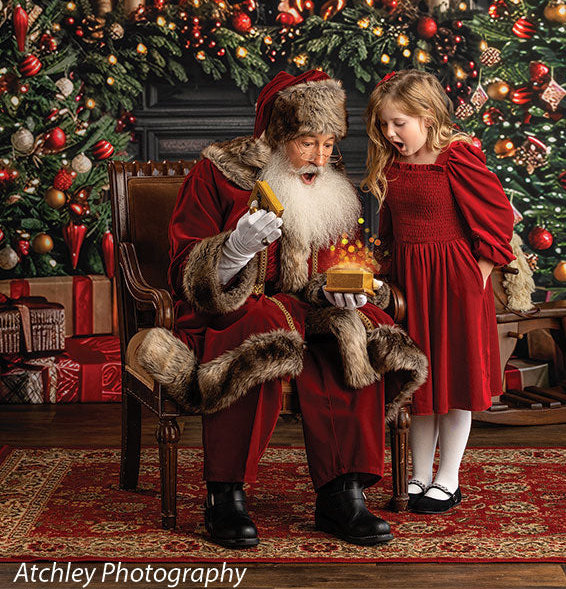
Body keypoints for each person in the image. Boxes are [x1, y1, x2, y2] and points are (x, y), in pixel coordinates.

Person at [137, 70, 427, 548]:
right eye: (307, 143)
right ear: (277, 137)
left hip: (305, 309)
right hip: (231, 309)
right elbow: (182, 271)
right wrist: (232, 250)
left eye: (329, 144)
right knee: (262, 329)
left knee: (351, 330)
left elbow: (341, 261)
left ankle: (342, 492)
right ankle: (225, 495)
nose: (319, 158)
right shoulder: (219, 174)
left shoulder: (331, 190)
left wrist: (344, 291)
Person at [362, 70, 514, 514]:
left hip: (454, 282)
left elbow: (501, 217)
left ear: (427, 117)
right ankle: (419, 474)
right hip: (408, 284)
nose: (390, 133)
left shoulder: (456, 157)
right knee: (418, 381)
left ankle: (449, 478)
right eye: (384, 125)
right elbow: (387, 229)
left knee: (454, 376)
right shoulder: (392, 164)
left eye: (398, 123)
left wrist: (478, 274)